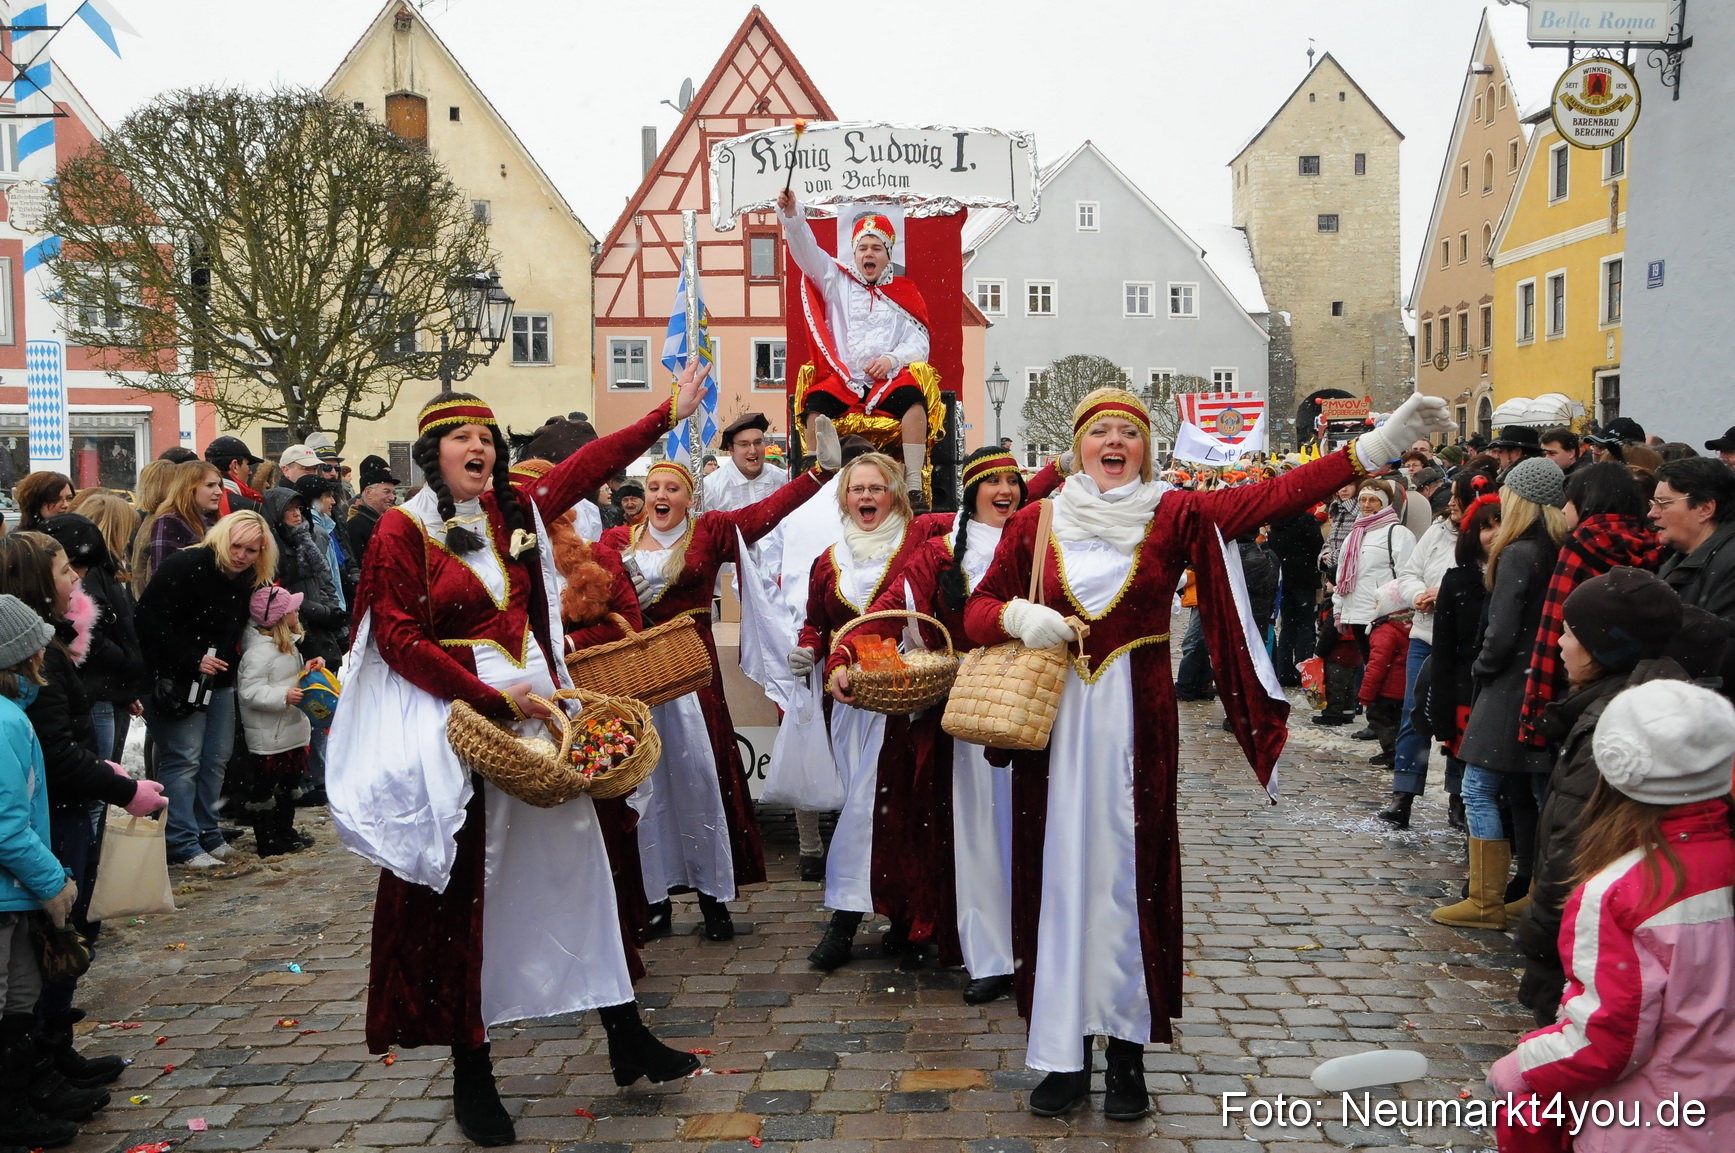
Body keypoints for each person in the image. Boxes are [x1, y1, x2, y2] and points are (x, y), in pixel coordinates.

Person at [963, 386, 1453, 1120]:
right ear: (1077, 443)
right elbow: (971, 611)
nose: (1114, 443)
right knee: (1056, 879)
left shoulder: (1175, 511)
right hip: (1056, 729)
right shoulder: (1036, 520)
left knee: (1130, 881)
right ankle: (1061, 1054)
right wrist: (1016, 613)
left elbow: (1274, 494)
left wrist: (1376, 444)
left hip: (1139, 729)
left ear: (1146, 448)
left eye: (1128, 433)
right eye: (1100, 431)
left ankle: (1125, 1054)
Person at [327, 372, 711, 1146]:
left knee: (582, 873)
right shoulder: (401, 530)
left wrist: (662, 416)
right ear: (432, 454)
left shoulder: (516, 511)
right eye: (463, 437)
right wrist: (491, 700)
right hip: (462, 723)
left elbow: (586, 468)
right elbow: (398, 640)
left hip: (542, 719)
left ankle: (625, 1033)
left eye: (488, 437)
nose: (480, 446)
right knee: (479, 897)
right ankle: (474, 1073)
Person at [822, 447, 1061, 1003]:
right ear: (972, 490)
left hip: (1038, 711)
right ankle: (994, 954)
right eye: (991, 481)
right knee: (979, 838)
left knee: (1040, 836)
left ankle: (1048, 946)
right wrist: (844, 659)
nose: (1004, 490)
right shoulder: (935, 556)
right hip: (967, 721)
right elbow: (884, 616)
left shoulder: (1045, 549)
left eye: (1013, 481)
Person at [599, 442, 838, 942]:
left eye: (673, 489)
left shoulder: (709, 532)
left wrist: (818, 473)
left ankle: (713, 899)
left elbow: (764, 514)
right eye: (654, 489)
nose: (661, 496)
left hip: (692, 678)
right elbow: (581, 584)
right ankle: (653, 899)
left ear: (690, 499)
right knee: (644, 788)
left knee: (702, 782)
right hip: (634, 680)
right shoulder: (618, 539)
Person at [1488, 679, 1735, 1152]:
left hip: (1651, 1124)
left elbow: (1607, 1041)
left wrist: (1518, 1069)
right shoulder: (1718, 862)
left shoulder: (1624, 891)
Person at [1512, 569, 1706, 1024]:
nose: (1559, 643)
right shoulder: (1642, 702)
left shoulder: (1612, 726)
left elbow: (1574, 847)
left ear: (1603, 647)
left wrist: (1540, 942)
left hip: (1591, 936)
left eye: (1569, 633)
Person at [794, 451, 953, 968]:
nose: (866, 497)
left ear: (895, 495)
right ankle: (901, 917)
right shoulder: (829, 558)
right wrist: (809, 648)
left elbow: (983, 511)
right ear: (844, 499)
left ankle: (847, 918)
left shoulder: (920, 540)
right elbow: (818, 621)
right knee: (867, 807)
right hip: (851, 703)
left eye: (876, 488)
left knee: (877, 807)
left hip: (906, 701)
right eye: (856, 489)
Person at [1434, 457, 1568, 929]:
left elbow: (1502, 628)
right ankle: (1531, 889)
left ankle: (1484, 900)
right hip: (1543, 680)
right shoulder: (1556, 547)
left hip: (1510, 683)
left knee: (1479, 788)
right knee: (1531, 791)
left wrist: (1482, 667)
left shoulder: (1518, 552)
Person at [777, 188, 939, 507]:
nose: (869, 253)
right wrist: (793, 215)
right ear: (855, 253)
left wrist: (892, 359)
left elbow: (919, 341)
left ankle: (913, 483)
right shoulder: (835, 280)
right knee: (814, 404)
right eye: (863, 247)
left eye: (876, 247)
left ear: (887, 254)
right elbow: (806, 249)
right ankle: (816, 479)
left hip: (887, 380)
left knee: (914, 402)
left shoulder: (905, 291)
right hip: (844, 380)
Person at [0, 594, 90, 1152]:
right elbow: (6, 824)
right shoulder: (7, 721)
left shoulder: (13, 714)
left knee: (20, 996)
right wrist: (53, 880)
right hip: (11, 889)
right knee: (8, 996)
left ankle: (19, 1099)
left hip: (14, 892)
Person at [136, 511, 276, 868]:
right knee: (184, 759)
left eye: (251, 550)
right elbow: (147, 622)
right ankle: (182, 841)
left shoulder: (244, 578)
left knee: (216, 759)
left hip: (218, 678)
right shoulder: (188, 565)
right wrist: (190, 658)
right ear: (222, 539)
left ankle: (207, 833)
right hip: (176, 678)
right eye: (237, 547)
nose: (242, 555)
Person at [1516, 463, 1661, 751]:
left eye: (1570, 500)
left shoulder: (1582, 545)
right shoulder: (1651, 542)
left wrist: (1535, 717)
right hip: (1630, 682)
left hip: (1574, 682)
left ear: (1587, 502)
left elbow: (1552, 626)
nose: (1564, 509)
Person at [39, 514, 145, 765]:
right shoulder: (47, 627)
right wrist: (123, 660)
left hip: (96, 693)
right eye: (70, 569)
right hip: (93, 695)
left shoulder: (76, 596)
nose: (78, 577)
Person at [236, 586, 319, 856]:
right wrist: (283, 695)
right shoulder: (259, 653)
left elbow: (287, 677)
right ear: (279, 618)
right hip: (270, 734)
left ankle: (285, 829)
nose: (297, 611)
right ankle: (267, 838)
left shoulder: (288, 646)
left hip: (290, 729)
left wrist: (307, 672)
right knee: (266, 787)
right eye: (292, 609)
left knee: (289, 782)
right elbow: (249, 692)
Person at [1651, 456, 1735, 696]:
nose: (1652, 513)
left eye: (1663, 503)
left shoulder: (1729, 564)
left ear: (1705, 509)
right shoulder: (1680, 558)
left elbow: (1717, 657)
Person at [142, 459, 224, 584]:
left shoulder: (208, 520)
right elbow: (164, 579)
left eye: (219, 485)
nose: (219, 491)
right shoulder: (170, 521)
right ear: (188, 488)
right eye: (210, 485)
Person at [1266, 506, 1322, 686]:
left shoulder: (1276, 522)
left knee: (1287, 626)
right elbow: (1318, 548)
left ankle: (1285, 672)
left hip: (1284, 579)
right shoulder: (1307, 520)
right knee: (1305, 625)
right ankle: (1302, 671)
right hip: (1305, 578)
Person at [1359, 584, 1412, 768]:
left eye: (1377, 603)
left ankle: (1393, 752)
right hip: (1404, 688)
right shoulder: (1408, 626)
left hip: (1387, 689)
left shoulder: (1386, 631)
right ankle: (1400, 753)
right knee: (1398, 720)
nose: (1374, 607)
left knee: (1378, 717)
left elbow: (1377, 665)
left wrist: (1366, 694)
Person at [346, 455, 399, 563]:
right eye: (387, 492)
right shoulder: (355, 526)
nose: (392, 498)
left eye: (393, 493)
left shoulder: (389, 523)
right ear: (369, 492)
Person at [202, 435, 262, 515]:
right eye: (247, 464)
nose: (250, 472)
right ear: (235, 466)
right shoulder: (248, 508)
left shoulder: (195, 502)